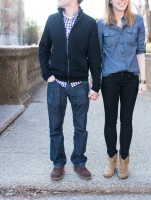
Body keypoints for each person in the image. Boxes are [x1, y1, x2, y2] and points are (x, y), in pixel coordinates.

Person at [39, 0, 101, 181]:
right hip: (56, 83)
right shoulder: (52, 20)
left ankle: (79, 162)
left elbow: (95, 56)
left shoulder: (89, 23)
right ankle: (58, 163)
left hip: (80, 84)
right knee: (55, 127)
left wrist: (95, 85)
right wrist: (47, 75)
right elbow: (43, 49)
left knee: (80, 128)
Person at [97, 0, 147, 179]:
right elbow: (97, 56)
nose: (122, 0)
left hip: (130, 79)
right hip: (109, 78)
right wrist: (94, 83)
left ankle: (124, 159)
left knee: (126, 120)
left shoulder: (137, 21)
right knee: (110, 120)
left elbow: (140, 51)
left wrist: (143, 80)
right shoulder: (101, 24)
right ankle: (112, 158)